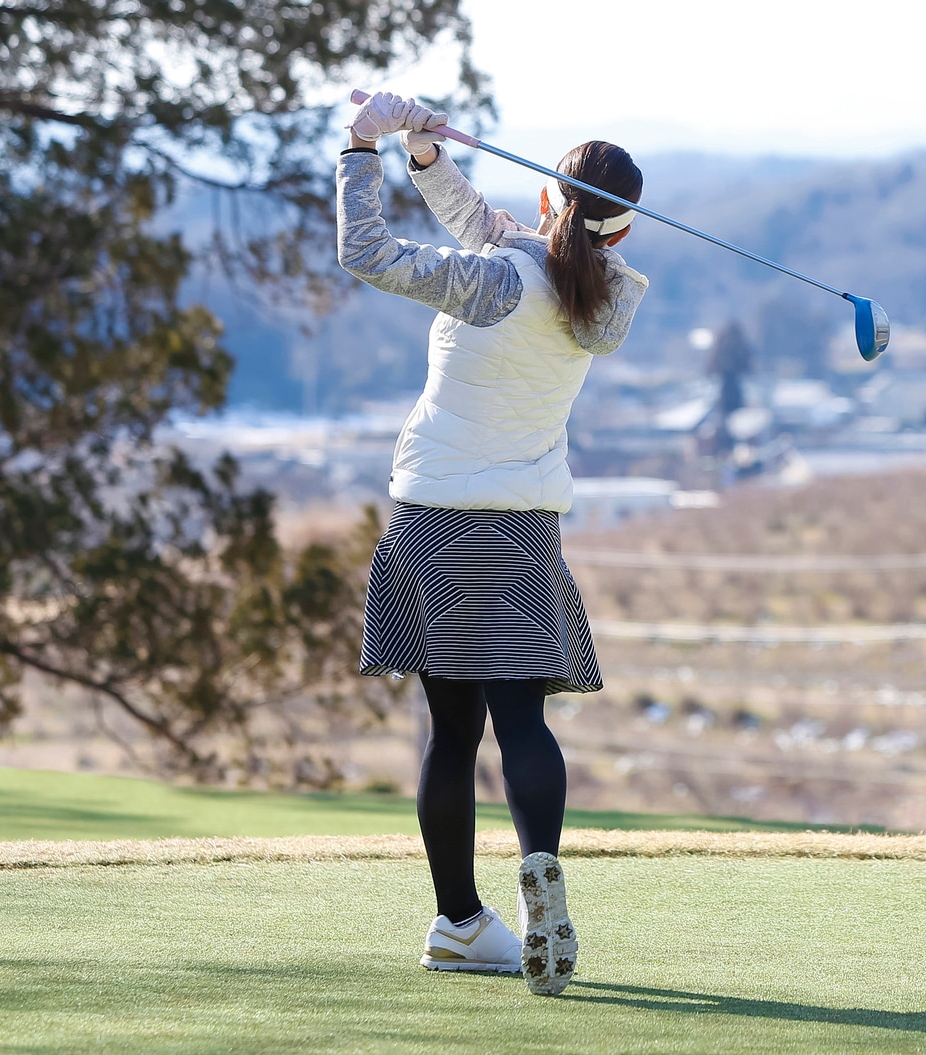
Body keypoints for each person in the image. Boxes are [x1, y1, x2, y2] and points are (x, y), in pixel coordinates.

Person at [335, 91, 647, 996]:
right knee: (522, 721)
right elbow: (499, 232)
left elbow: (367, 253)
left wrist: (364, 147)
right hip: (523, 528)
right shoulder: (608, 299)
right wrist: (430, 162)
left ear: (550, 201)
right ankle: (539, 862)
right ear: (620, 232)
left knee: (452, 729)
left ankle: (460, 921)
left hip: (435, 521)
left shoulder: (495, 277)